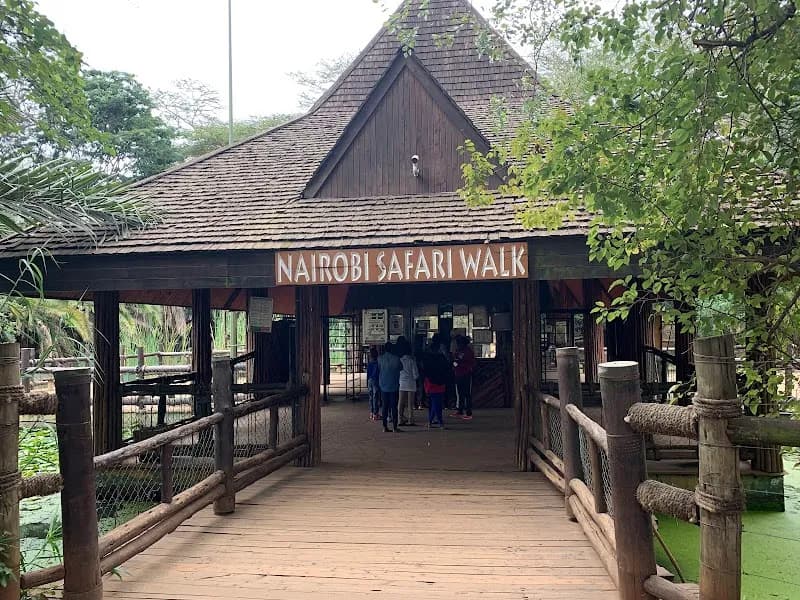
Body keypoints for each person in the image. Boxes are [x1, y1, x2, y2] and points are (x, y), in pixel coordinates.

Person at [421, 340, 449, 428]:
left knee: (433, 403)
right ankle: (438, 422)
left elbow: (424, 371)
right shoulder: (442, 358)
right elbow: (447, 369)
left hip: (430, 383)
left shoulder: (427, 358)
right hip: (440, 384)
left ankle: (431, 421)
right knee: (437, 403)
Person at [378, 341, 402, 432]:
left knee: (385, 406)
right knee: (394, 407)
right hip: (394, 385)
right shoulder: (397, 359)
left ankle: (384, 427)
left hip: (383, 385)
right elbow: (401, 368)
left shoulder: (380, 359)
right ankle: (395, 427)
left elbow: (379, 369)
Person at [452, 335, 476, 419]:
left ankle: (469, 413)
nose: (458, 345)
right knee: (460, 393)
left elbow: (471, 363)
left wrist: (459, 364)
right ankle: (460, 410)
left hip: (466, 374)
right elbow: (455, 359)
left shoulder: (468, 352)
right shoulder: (458, 351)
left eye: (459, 343)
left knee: (467, 393)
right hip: (458, 373)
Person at [397, 337, 419, 426]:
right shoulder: (412, 361)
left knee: (400, 402)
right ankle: (411, 420)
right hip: (411, 384)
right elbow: (416, 374)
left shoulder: (400, 360)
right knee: (410, 404)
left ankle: (399, 419)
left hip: (402, 383)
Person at [366, 347, 381, 421]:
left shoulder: (369, 364)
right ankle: (375, 414)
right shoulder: (377, 363)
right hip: (376, 380)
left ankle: (371, 413)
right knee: (376, 397)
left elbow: (368, 374)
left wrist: (367, 383)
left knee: (371, 397)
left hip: (370, 381)